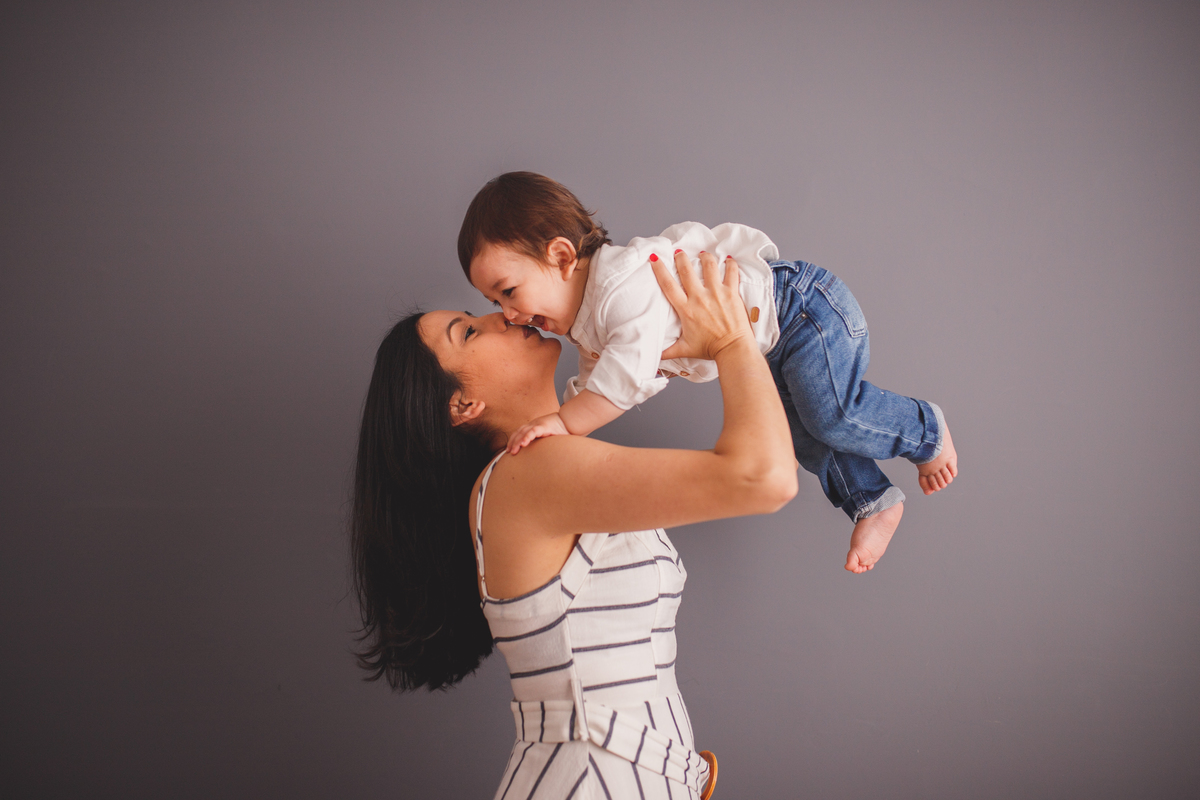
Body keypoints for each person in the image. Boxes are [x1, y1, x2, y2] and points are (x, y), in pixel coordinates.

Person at [352, 251, 797, 798]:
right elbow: (765, 479)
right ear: (462, 404)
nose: (504, 316)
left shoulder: (545, 466)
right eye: (468, 332)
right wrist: (732, 340)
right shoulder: (529, 473)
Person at [457, 171, 958, 574]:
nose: (507, 313)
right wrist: (564, 417)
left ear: (562, 256)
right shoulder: (590, 326)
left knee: (833, 416)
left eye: (508, 291)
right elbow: (601, 384)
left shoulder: (618, 289)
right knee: (802, 437)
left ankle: (925, 430)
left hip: (799, 310)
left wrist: (565, 423)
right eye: (493, 302)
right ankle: (872, 501)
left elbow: (623, 379)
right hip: (769, 347)